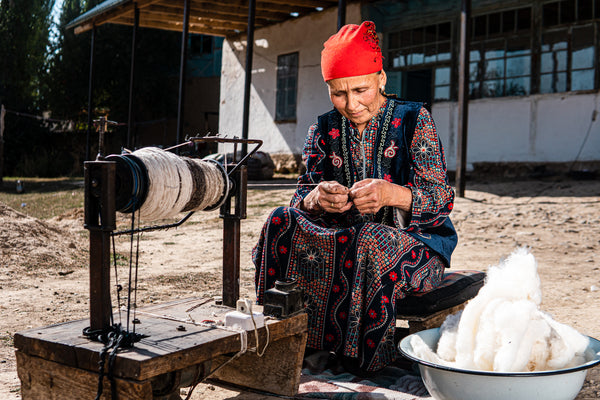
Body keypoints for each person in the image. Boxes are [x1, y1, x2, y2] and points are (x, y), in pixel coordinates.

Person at [253, 21, 458, 374]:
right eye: (338, 93)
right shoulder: (323, 128)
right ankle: (286, 345)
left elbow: (441, 198)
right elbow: (300, 195)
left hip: (418, 245)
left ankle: (368, 362)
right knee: (278, 221)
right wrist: (314, 199)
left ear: (381, 77)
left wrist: (392, 194)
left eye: (360, 89)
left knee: (369, 240)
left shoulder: (414, 119)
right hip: (345, 240)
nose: (351, 104)